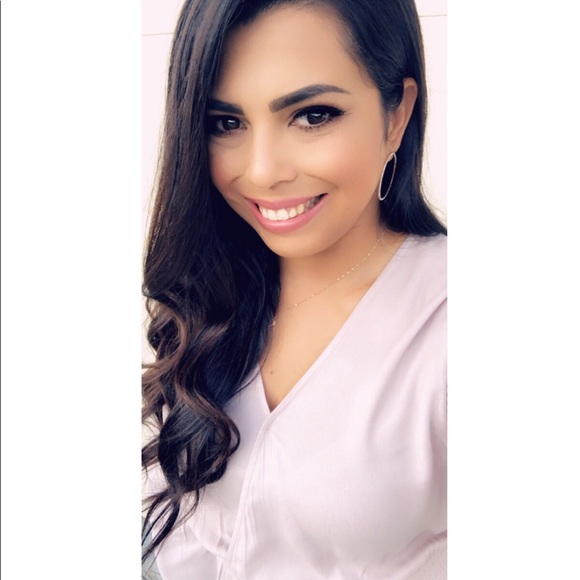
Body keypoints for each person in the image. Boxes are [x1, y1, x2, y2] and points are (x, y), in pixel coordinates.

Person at [142, 0, 447, 577]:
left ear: (397, 115)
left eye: (312, 115)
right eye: (226, 123)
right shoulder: (211, 288)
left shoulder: (446, 324)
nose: (261, 171)